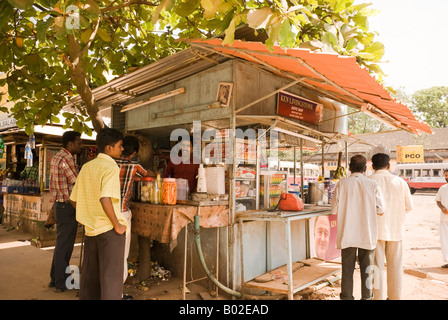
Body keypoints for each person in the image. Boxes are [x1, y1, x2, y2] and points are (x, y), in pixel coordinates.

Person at [69, 128, 128, 300]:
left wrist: (87, 214)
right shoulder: (111, 167)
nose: (122, 149)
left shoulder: (87, 167)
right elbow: (105, 199)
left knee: (90, 279)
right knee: (111, 279)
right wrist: (117, 225)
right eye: (120, 146)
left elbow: (73, 199)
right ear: (109, 148)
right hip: (109, 231)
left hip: (90, 230)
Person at [331, 154, 385, 300]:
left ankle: (346, 297)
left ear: (349, 168)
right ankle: (367, 298)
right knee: (368, 270)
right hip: (366, 234)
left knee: (347, 270)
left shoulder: (342, 184)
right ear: (365, 168)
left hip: (347, 234)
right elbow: (381, 210)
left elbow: (334, 210)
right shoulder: (373, 185)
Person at [369, 153, 413, 300]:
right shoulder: (400, 182)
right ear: (388, 165)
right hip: (396, 230)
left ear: (372, 166)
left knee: (376, 267)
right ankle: (395, 297)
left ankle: (378, 297)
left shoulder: (368, 182)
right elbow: (409, 206)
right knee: (395, 267)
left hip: (374, 231)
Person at [115, 135, 153, 285]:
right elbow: (147, 174)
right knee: (122, 253)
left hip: (103, 213)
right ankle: (118, 289)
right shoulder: (133, 166)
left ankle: (104, 286)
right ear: (134, 153)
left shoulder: (109, 164)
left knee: (106, 252)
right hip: (122, 212)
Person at [48, 130, 82, 293]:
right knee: (65, 246)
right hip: (67, 206)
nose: (80, 146)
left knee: (61, 244)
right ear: (70, 144)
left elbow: (52, 184)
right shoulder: (66, 158)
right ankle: (61, 283)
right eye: (78, 143)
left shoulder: (56, 157)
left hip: (59, 205)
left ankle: (55, 279)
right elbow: (76, 181)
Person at [435, 169, 448, 268]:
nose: (446, 177)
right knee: (445, 241)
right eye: (446, 175)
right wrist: (442, 207)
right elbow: (438, 201)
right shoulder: (442, 188)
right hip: (444, 219)